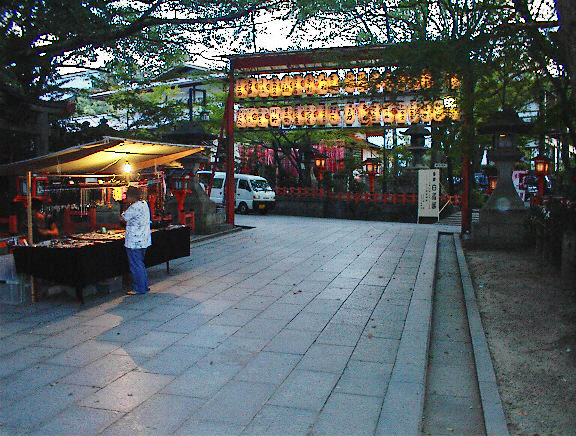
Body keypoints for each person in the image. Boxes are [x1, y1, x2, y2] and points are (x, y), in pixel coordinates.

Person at [120, 186, 151, 295]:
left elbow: (123, 218)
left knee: (136, 265)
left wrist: (124, 209)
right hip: (144, 239)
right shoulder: (144, 204)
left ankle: (139, 288)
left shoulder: (134, 207)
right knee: (140, 264)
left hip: (134, 240)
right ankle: (144, 285)